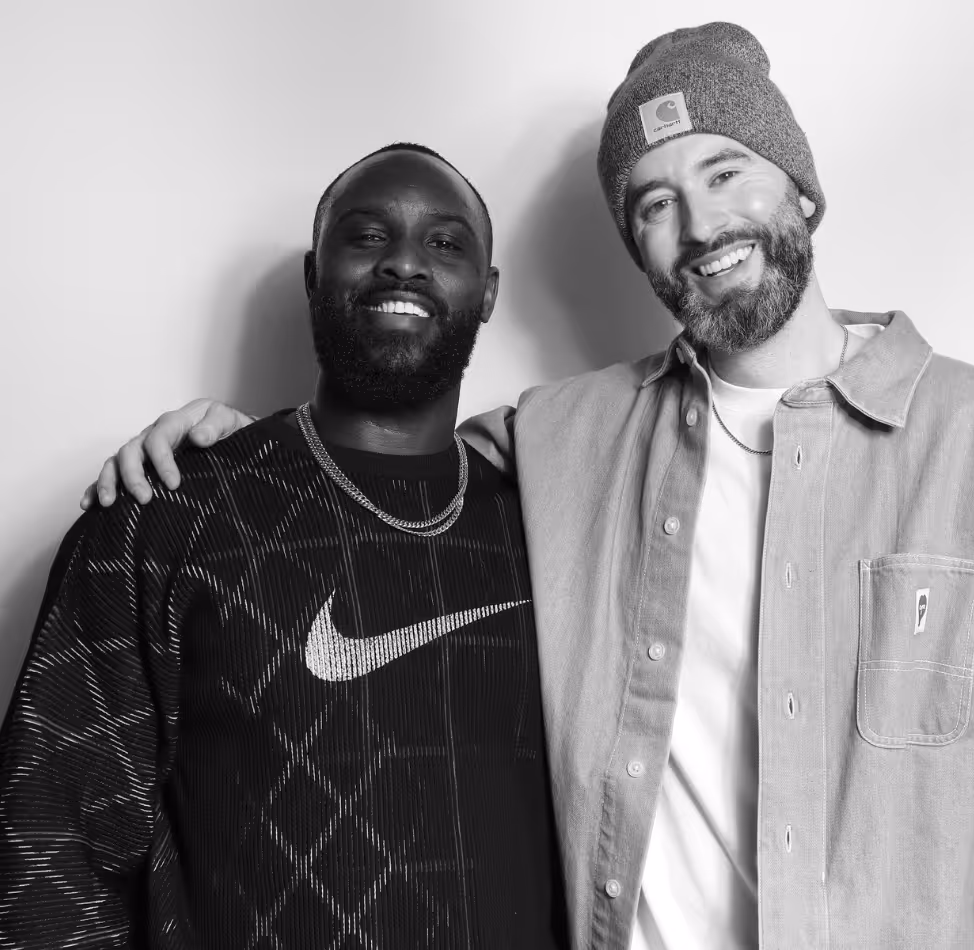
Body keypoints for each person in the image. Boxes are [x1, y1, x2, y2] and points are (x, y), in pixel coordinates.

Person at [75, 22, 974, 949]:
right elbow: (380, 459)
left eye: (724, 173)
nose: (700, 225)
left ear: (802, 194)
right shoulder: (569, 435)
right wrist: (222, 442)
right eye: (654, 203)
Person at [0, 143, 567, 948]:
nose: (404, 263)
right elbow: (49, 858)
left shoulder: (551, 528)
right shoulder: (164, 519)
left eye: (445, 243)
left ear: (488, 294)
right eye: (366, 236)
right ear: (314, 276)